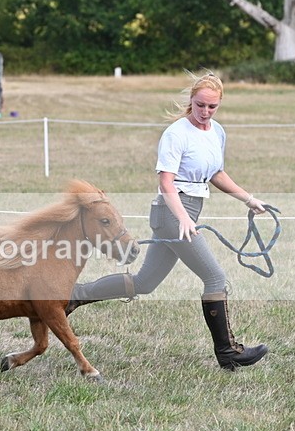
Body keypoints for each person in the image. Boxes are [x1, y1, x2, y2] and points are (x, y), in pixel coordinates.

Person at [66, 70, 269, 371]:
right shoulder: (176, 133)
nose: (205, 112)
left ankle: (72, 296)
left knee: (144, 283)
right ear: (191, 100)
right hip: (172, 213)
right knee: (215, 278)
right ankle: (228, 352)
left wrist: (248, 198)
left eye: (212, 107)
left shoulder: (217, 132)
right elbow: (167, 183)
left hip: (187, 213)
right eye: (200, 105)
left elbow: (216, 174)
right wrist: (183, 218)